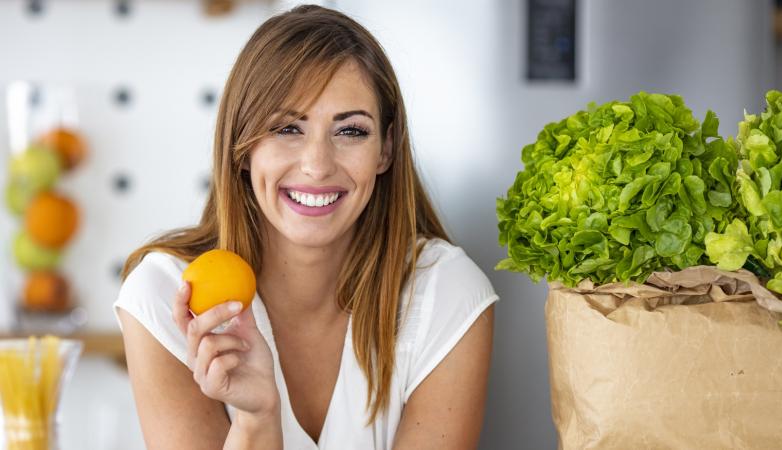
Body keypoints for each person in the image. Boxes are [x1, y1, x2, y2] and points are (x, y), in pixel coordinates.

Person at [113, 5, 498, 449]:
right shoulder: (164, 299)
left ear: (385, 150)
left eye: (351, 131)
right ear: (242, 146)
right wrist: (257, 420)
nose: (317, 165)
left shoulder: (444, 294)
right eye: (287, 128)